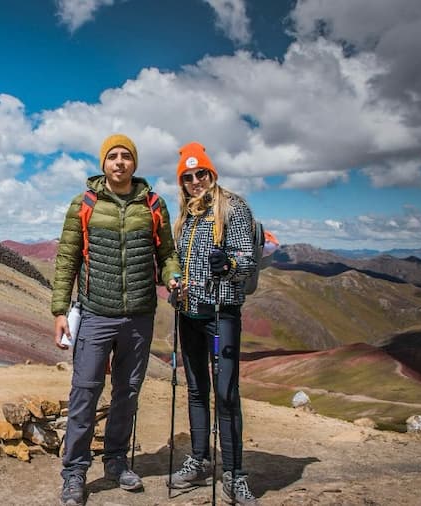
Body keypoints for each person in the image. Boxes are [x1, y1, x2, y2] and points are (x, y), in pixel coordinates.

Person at [52, 133, 180, 506]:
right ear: (103, 164)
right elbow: (67, 259)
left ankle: (115, 461)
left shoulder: (154, 204)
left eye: (126, 156)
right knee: (85, 392)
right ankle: (74, 472)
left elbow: (167, 253)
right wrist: (60, 310)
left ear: (134, 164)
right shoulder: (84, 203)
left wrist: (172, 274)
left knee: (127, 393)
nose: (120, 162)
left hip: (139, 316)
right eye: (113, 157)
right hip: (95, 314)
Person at [166, 141, 259, 505]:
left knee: (226, 394)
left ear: (211, 173)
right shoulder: (185, 214)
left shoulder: (233, 208)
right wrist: (175, 281)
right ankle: (199, 458)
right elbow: (177, 258)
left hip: (222, 315)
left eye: (200, 173)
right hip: (189, 312)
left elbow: (247, 262)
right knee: (195, 389)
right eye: (187, 177)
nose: (195, 181)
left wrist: (229, 266)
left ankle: (235, 474)